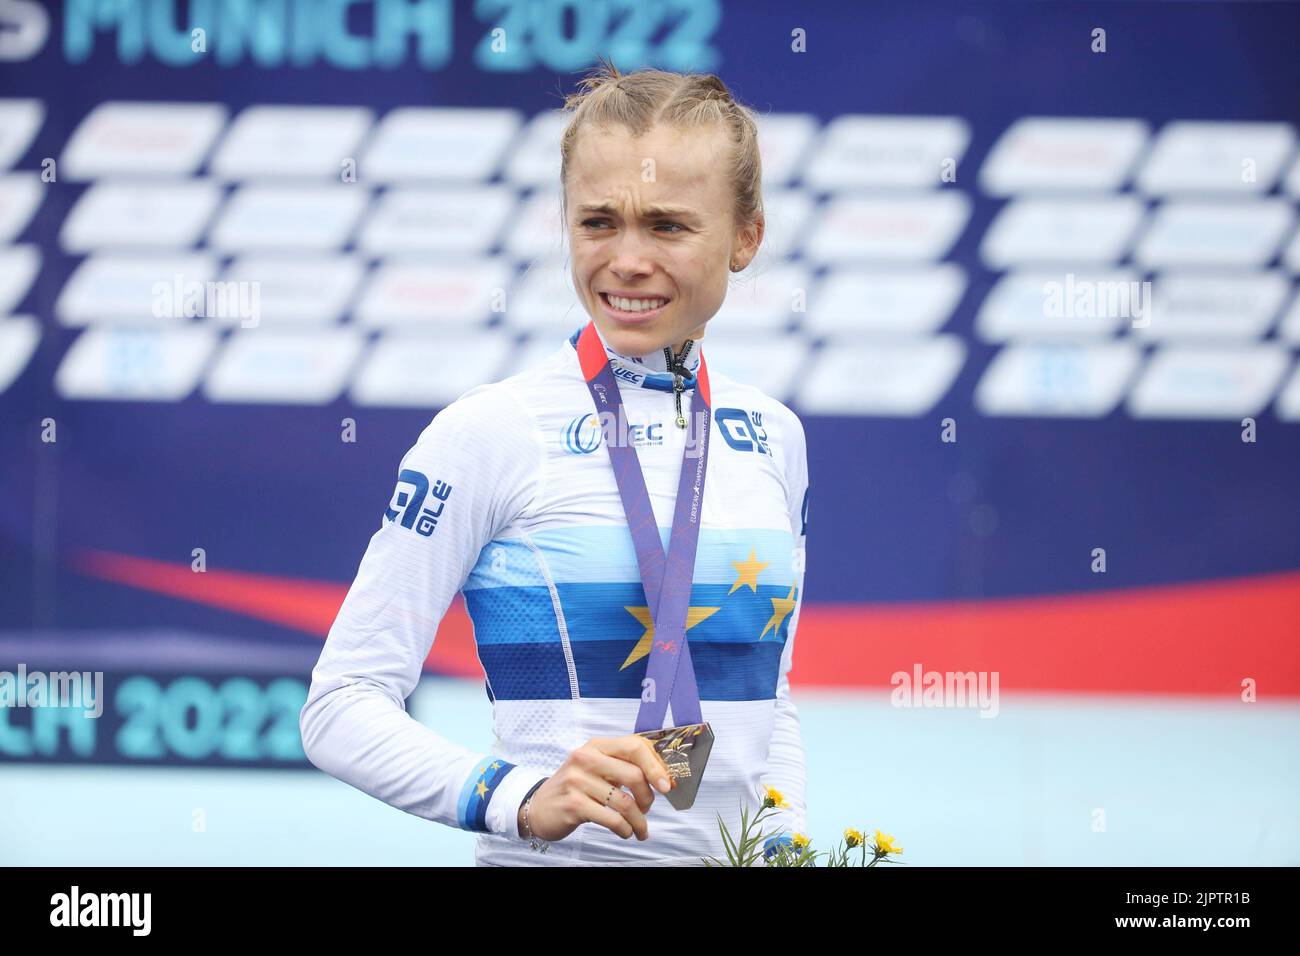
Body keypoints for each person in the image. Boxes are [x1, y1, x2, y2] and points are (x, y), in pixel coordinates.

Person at [300, 60, 810, 866]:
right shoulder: (494, 432)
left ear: (747, 236)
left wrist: (784, 842)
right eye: (599, 222)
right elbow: (340, 706)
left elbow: (766, 703)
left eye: (668, 226)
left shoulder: (773, 436)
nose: (628, 260)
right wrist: (518, 798)